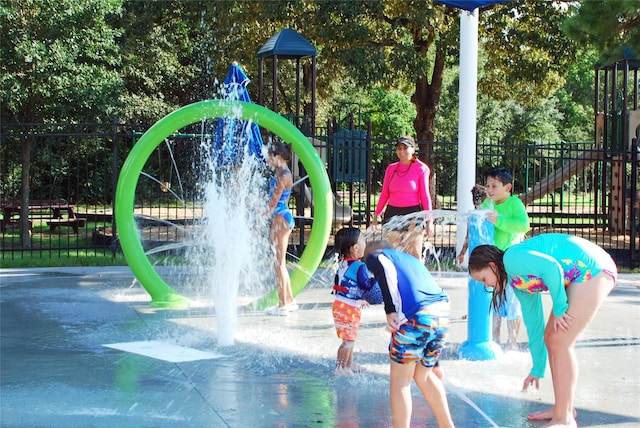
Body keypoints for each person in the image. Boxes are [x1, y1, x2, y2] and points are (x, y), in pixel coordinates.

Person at [468, 234, 617, 428]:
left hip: (593, 268)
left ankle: (564, 419)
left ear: (493, 266)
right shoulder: (519, 283)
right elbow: (535, 325)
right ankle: (562, 409)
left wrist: (560, 308)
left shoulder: (511, 259)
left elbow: (551, 267)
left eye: (484, 279)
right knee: (551, 337)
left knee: (560, 340)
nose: (486, 285)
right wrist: (537, 367)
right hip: (579, 273)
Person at [365, 241, 455, 428]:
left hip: (416, 317)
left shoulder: (377, 256)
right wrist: (435, 361)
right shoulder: (411, 261)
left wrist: (390, 310)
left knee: (401, 381)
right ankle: (447, 425)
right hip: (442, 314)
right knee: (423, 375)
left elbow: (382, 271)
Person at [458, 168, 530, 349]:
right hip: (494, 261)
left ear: (507, 187)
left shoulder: (514, 203)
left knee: (512, 302)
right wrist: (465, 248)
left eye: (494, 186)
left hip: (512, 259)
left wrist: (499, 220)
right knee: (496, 301)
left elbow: (524, 225)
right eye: (488, 185)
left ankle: (512, 343)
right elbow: (477, 226)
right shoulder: (488, 205)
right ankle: (495, 341)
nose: (489, 190)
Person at [372, 136, 433, 261]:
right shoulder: (391, 168)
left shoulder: (421, 168)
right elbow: (384, 194)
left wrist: (429, 221)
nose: (402, 151)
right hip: (392, 213)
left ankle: (415, 279)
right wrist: (376, 216)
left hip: (413, 215)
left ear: (413, 149)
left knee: (413, 255)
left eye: (405, 148)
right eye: (399, 148)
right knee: (395, 255)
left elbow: (425, 196)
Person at [331, 227, 380, 375]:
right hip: (348, 309)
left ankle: (349, 363)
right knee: (348, 341)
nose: (366, 243)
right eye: (363, 240)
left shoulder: (343, 263)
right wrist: (377, 278)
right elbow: (365, 285)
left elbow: (347, 285)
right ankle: (341, 368)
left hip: (342, 305)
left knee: (350, 337)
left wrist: (359, 299)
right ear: (356, 248)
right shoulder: (359, 266)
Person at [265, 140, 297, 316]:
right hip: (282, 217)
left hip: (280, 218)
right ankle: (289, 300)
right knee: (280, 262)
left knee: (279, 264)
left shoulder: (282, 176)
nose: (268, 161)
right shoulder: (283, 172)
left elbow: (272, 204)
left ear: (278, 157)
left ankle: (282, 304)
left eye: (270, 157)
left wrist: (257, 210)